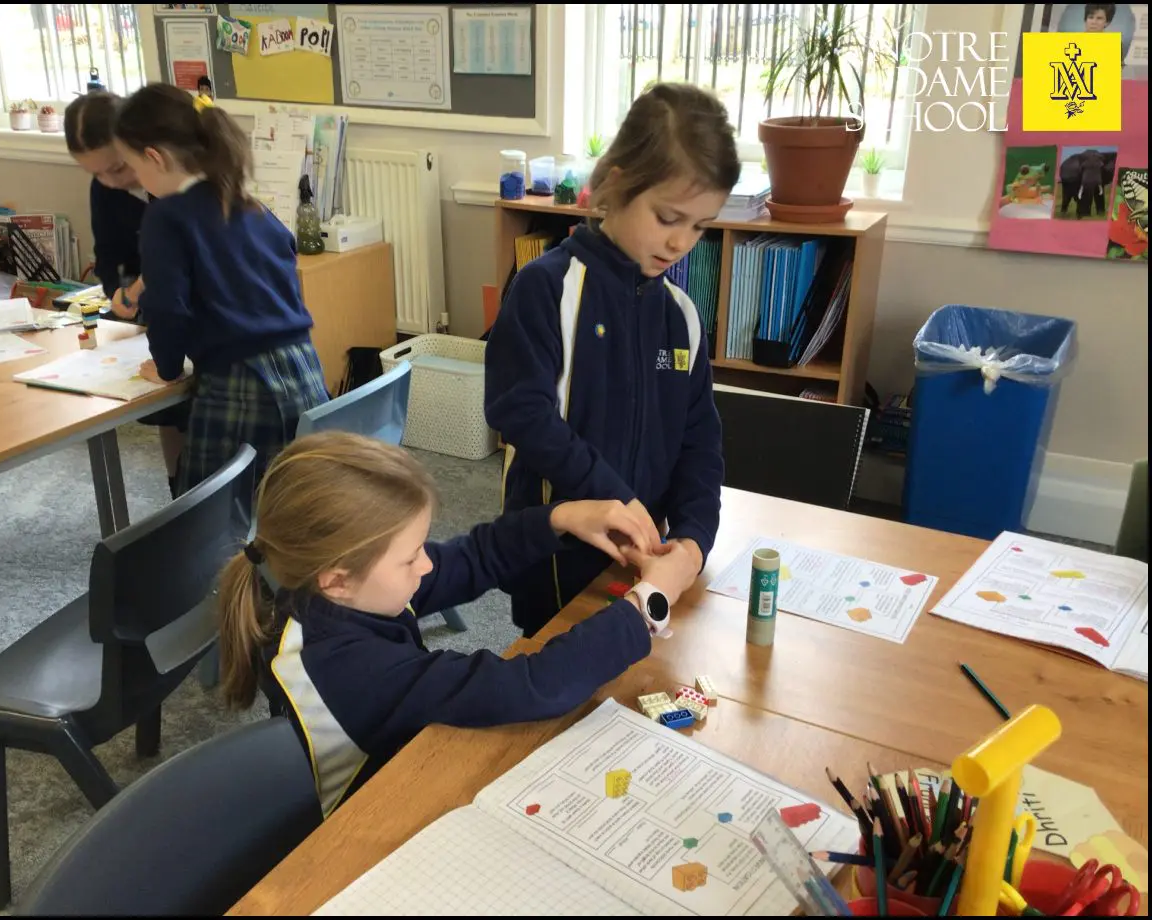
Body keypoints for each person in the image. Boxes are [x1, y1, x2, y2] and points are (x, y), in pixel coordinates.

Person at [217, 431, 698, 818]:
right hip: (365, 823)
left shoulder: (341, 588)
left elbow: (472, 558)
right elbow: (530, 686)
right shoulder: (346, 666)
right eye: (411, 558)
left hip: (404, 772)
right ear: (338, 580)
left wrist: (562, 517)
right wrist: (649, 601)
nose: (426, 565)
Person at [483, 82, 741, 638]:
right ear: (618, 184)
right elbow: (520, 414)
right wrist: (618, 498)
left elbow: (701, 442)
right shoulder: (544, 287)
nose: (681, 242)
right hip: (556, 559)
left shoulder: (682, 315)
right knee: (554, 673)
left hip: (641, 560)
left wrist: (693, 543)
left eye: (700, 226)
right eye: (668, 217)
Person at [113, 83, 329, 496]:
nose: (137, 180)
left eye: (134, 167)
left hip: (240, 383)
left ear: (154, 157)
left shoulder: (166, 216)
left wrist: (167, 369)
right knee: (292, 502)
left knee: (215, 509)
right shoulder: (246, 201)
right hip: (304, 370)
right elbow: (284, 259)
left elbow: (166, 306)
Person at [63, 89, 190, 496]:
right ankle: (179, 488)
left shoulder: (175, 184)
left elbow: (179, 259)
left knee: (192, 399)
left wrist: (142, 285)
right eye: (97, 174)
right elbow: (107, 253)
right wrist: (118, 291)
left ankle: (200, 487)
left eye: (118, 167)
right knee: (168, 405)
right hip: (154, 308)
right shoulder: (106, 189)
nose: (111, 181)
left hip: (187, 304)